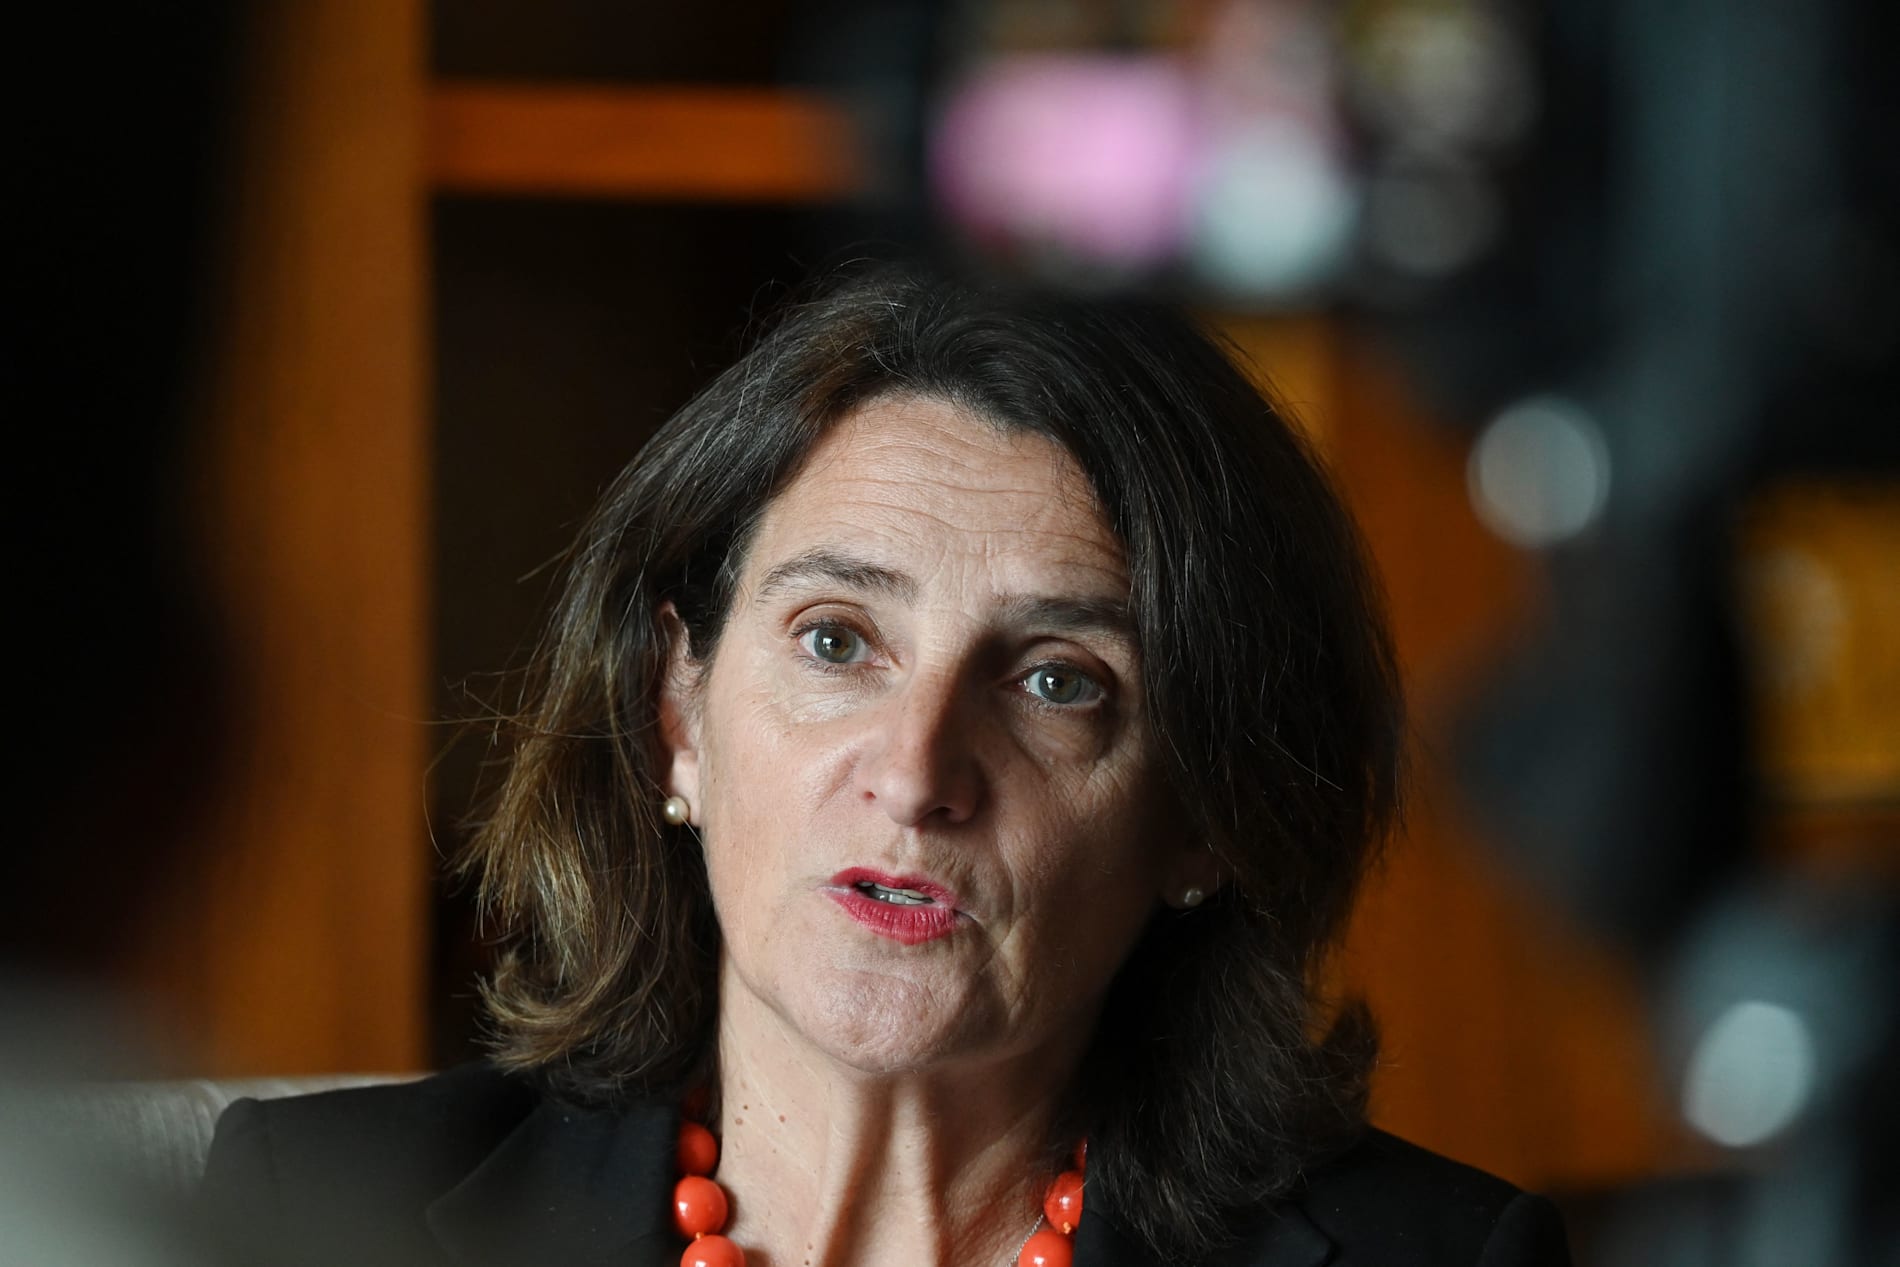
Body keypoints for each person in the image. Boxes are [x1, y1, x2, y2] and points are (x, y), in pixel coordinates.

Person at [199, 265, 1571, 1266]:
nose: (918, 775)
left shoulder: (1445, 1261)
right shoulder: (316, 1217)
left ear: (1204, 814)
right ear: (679, 714)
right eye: (837, 640)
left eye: (1058, 681)